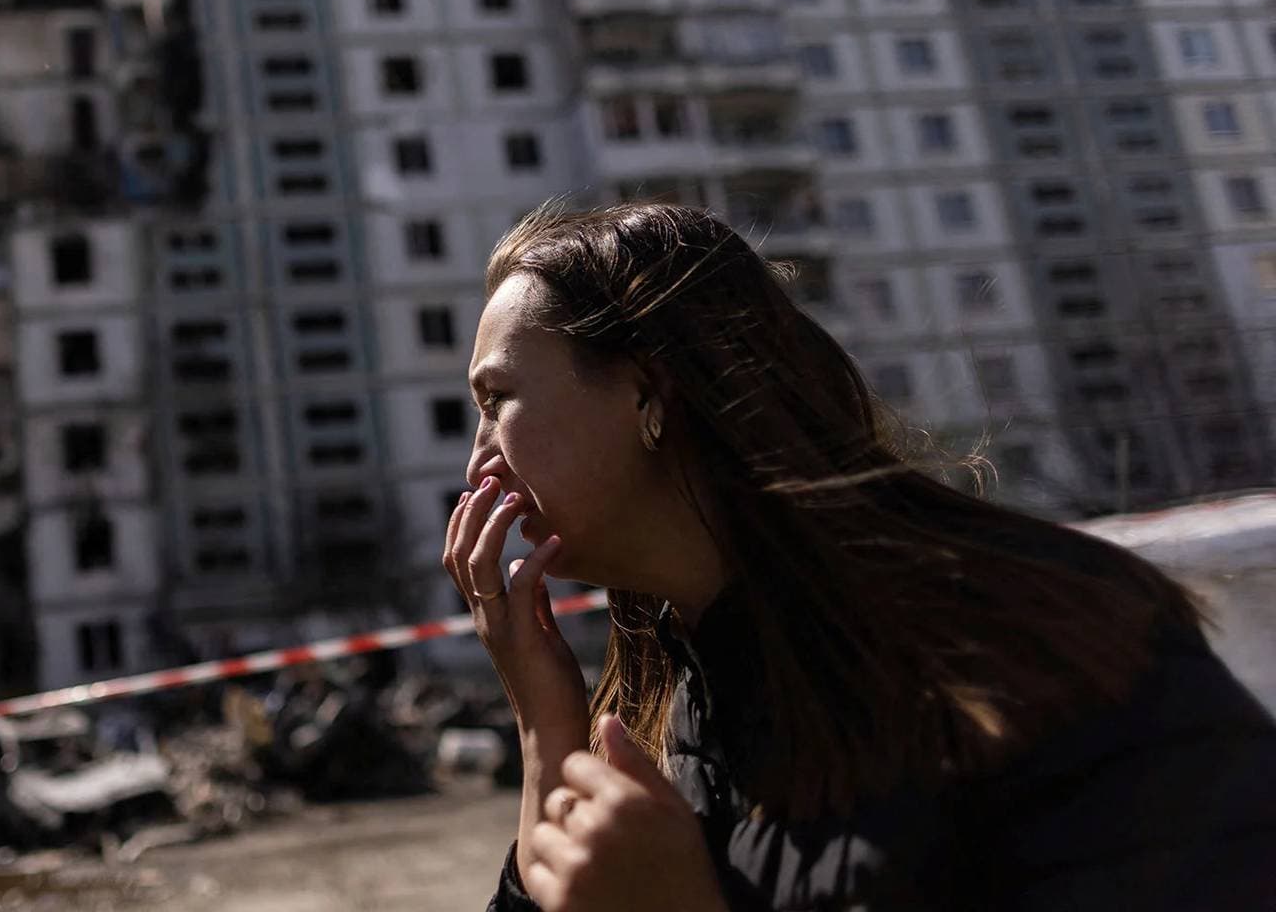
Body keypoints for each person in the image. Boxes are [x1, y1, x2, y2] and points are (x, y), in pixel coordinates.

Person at [443, 201, 1276, 911]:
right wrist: (546, 725)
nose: (478, 460)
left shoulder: (1023, 646)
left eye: (498, 400)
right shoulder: (673, 695)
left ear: (648, 396)